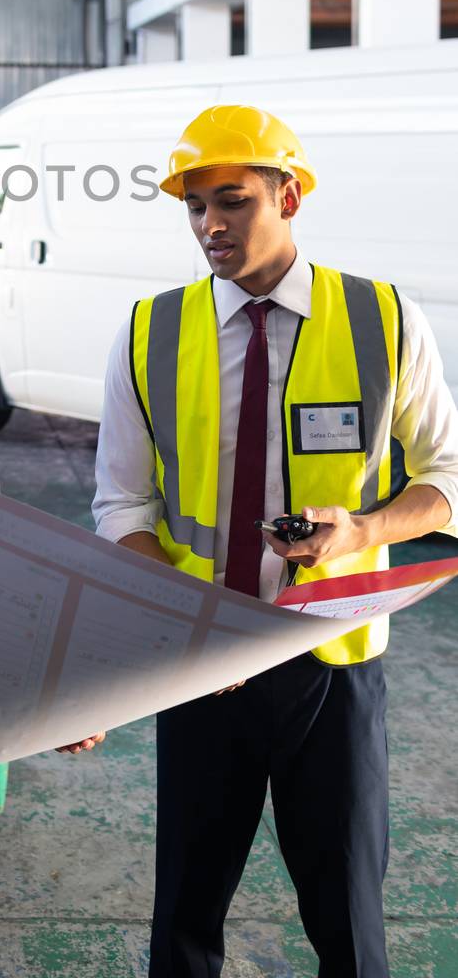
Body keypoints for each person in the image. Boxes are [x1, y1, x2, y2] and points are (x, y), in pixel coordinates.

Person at [84, 104, 458, 978]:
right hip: (198, 662)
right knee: (182, 912)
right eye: (193, 206)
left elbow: (446, 476)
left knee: (348, 915)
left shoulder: (382, 318)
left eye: (233, 200)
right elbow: (120, 507)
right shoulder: (149, 332)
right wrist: (186, 616)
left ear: (288, 196)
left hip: (331, 659)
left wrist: (362, 528)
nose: (209, 225)